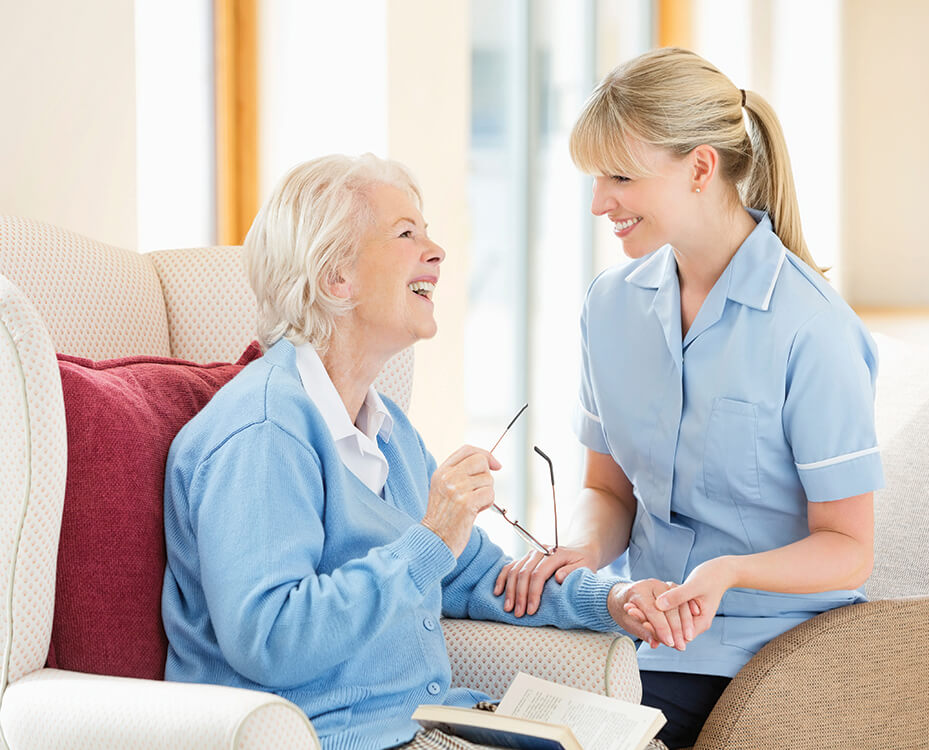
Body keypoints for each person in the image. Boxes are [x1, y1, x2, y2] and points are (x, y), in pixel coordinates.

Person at [161, 153, 672, 750]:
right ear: (336, 278)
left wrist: (610, 599)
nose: (437, 251)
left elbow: (479, 576)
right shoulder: (264, 431)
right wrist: (431, 536)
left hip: (420, 724)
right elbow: (272, 638)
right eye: (407, 234)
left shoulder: (389, 431)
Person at [495, 47, 883, 748]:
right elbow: (608, 491)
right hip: (642, 638)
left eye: (619, 176)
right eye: (593, 177)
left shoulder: (812, 329)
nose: (597, 203)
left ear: (701, 168)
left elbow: (850, 547)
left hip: (770, 655)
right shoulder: (610, 306)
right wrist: (580, 550)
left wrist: (727, 574)